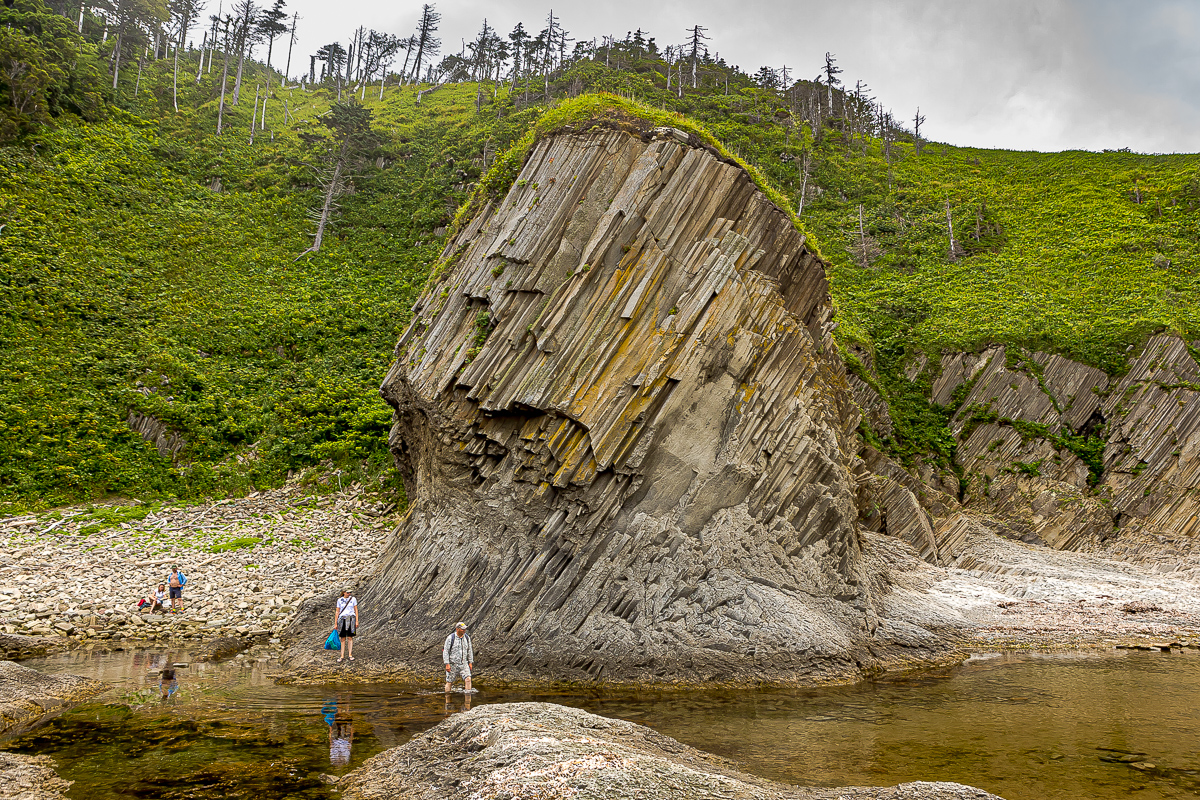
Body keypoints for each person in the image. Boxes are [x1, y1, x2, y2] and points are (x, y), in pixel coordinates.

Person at [443, 622, 474, 693]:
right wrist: (447, 664)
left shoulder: (467, 637)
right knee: (449, 681)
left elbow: (469, 650)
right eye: (462, 629)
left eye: (465, 629)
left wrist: (470, 662)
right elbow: (446, 651)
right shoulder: (451, 638)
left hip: (464, 663)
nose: (464, 630)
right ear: (457, 629)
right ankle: (447, 700)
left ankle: (467, 700)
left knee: (468, 679)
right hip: (453, 664)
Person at [333, 589, 358, 662]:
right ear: (344, 592)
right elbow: (337, 612)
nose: (349, 593)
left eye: (350, 592)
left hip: (351, 618)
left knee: (350, 637)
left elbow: (356, 610)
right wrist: (335, 623)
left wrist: (356, 620)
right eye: (348, 592)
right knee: (343, 638)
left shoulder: (353, 599)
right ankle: (342, 655)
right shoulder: (339, 600)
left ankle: (350, 654)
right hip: (342, 619)